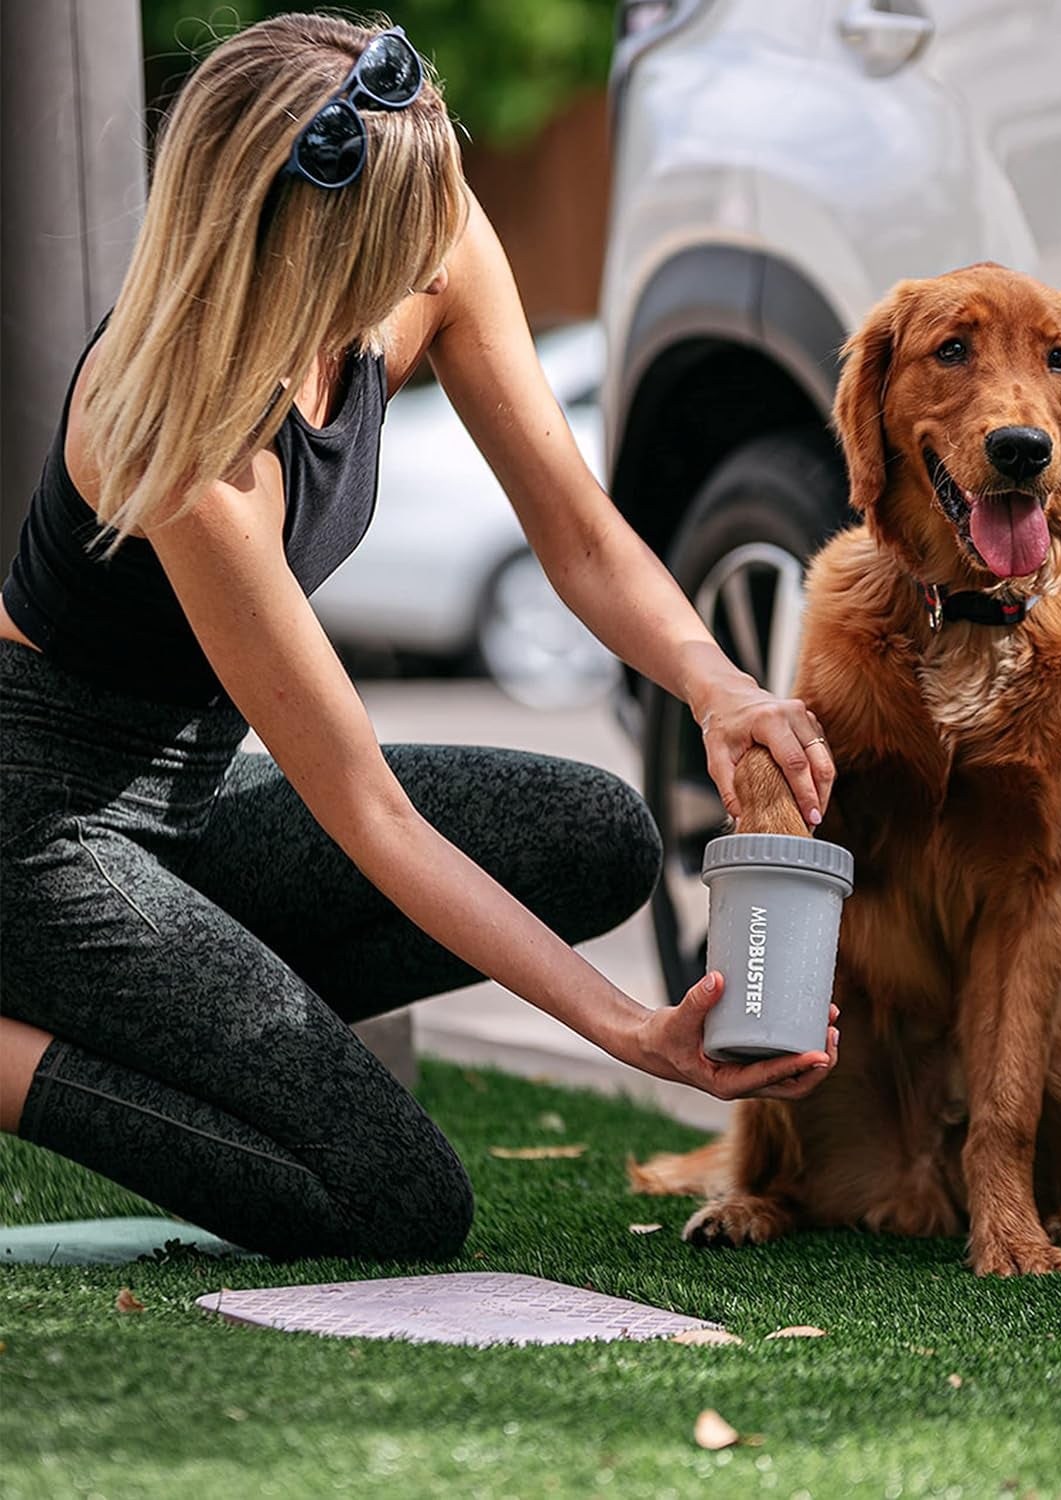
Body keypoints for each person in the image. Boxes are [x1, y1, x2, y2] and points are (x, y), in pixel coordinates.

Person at [0, 15, 840, 1261]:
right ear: (302, 254)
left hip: (186, 808)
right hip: (39, 833)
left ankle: (173, 1017)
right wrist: (625, 1030)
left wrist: (718, 687)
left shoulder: (431, 235)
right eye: (399, 244)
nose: (435, 255)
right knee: (394, 1201)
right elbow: (371, 812)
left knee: (598, 836)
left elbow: (578, 535)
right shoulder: (181, 439)